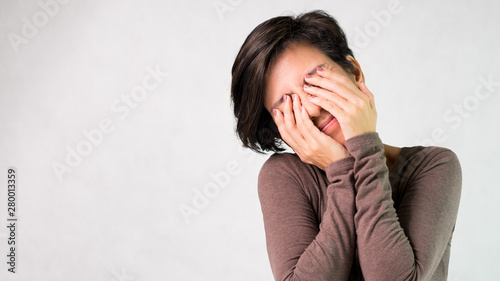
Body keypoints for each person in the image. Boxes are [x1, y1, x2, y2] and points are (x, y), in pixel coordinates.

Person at [230, 10, 462, 281]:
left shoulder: (433, 167)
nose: (313, 107)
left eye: (315, 83)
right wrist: (341, 173)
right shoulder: (284, 176)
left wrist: (364, 149)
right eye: (289, 105)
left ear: (354, 72)